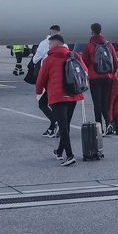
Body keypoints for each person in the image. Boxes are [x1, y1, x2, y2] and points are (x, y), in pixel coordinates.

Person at [35, 34, 85, 166]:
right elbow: (84, 71)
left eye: (50, 44)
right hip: (73, 94)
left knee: (63, 127)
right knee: (66, 124)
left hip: (57, 96)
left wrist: (39, 92)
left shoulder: (49, 60)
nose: (49, 46)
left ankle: (69, 155)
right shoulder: (73, 55)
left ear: (56, 44)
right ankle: (59, 151)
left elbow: (41, 80)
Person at [84, 22, 118, 130]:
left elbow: (84, 61)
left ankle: (99, 127)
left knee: (97, 104)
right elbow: (115, 60)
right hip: (107, 77)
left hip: (94, 77)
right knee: (105, 102)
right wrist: (112, 73)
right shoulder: (108, 44)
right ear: (101, 31)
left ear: (92, 31)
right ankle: (109, 123)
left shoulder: (89, 45)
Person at [31, 25, 61, 136]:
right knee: (56, 106)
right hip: (63, 82)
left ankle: (56, 123)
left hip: (50, 81)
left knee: (43, 104)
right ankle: (53, 127)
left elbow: (35, 60)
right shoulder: (65, 45)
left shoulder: (44, 44)